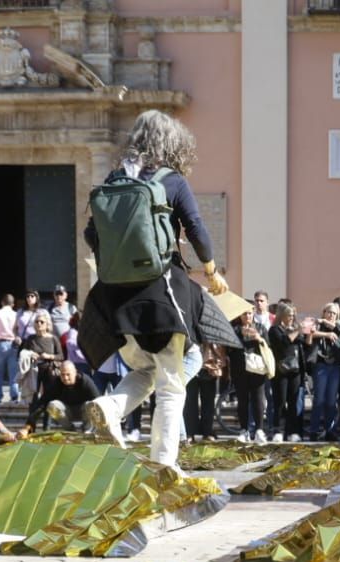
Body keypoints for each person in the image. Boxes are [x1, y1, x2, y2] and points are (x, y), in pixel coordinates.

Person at [78, 110, 231, 472]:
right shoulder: (171, 180)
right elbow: (195, 226)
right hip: (161, 294)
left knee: (146, 371)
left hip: (115, 299)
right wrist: (211, 271)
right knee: (172, 384)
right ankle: (165, 464)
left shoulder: (115, 179)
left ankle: (111, 405)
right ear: (172, 143)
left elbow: (90, 234)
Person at [24, 356, 101, 433]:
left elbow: (98, 400)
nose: (65, 378)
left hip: (84, 412)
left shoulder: (85, 381)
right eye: (63, 375)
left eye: (68, 374)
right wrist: (28, 425)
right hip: (67, 413)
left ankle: (87, 430)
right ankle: (69, 430)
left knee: (91, 404)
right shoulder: (57, 382)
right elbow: (42, 402)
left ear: (75, 372)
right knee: (52, 405)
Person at [266, 302, 306, 441]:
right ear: (282, 316)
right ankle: (278, 430)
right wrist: (298, 330)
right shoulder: (274, 330)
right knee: (280, 402)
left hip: (295, 370)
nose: (291, 317)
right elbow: (284, 342)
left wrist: (307, 333)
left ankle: (292, 432)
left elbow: (303, 344)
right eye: (289, 315)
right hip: (280, 371)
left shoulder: (293, 329)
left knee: (293, 401)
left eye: (293, 315)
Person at [232, 308, 271, 442]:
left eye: (249, 313)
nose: (247, 316)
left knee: (258, 399)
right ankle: (244, 430)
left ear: (253, 313)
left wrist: (258, 338)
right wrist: (240, 336)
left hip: (257, 368)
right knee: (242, 400)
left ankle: (259, 430)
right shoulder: (235, 329)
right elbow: (230, 348)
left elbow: (268, 345)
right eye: (244, 313)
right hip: (239, 368)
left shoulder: (260, 327)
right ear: (240, 315)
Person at [308, 303, 340, 440]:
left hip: (334, 366)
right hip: (321, 365)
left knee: (331, 400)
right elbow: (309, 332)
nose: (331, 315)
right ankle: (314, 430)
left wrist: (327, 325)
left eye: (334, 313)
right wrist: (326, 333)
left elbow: (338, 330)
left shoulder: (337, 327)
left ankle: (330, 430)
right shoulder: (317, 325)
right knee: (319, 399)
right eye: (328, 312)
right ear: (323, 312)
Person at [0, 292, 21, 402]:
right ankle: (14, 395)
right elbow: (19, 330)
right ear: (13, 304)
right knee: (14, 372)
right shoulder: (16, 314)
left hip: (0, 344)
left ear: (2, 302)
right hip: (13, 344)